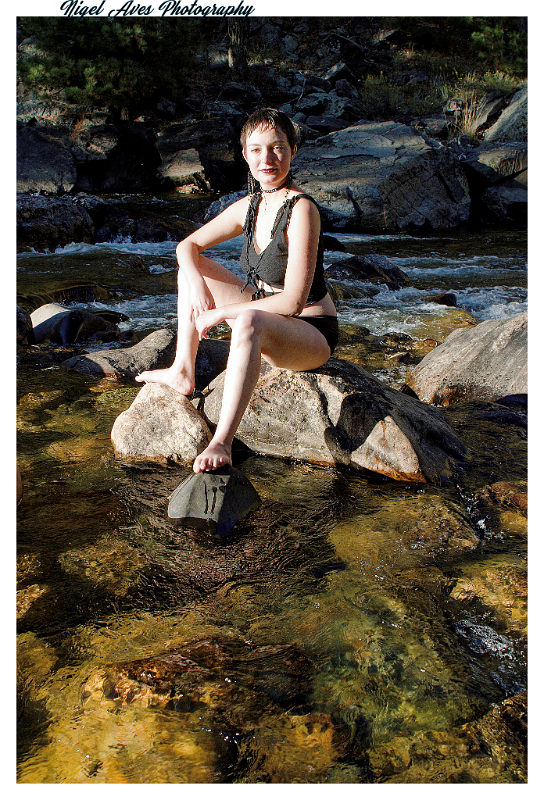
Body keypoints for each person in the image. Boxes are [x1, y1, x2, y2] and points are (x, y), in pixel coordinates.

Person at [136, 108, 338, 473]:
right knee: (191, 270)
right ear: (245, 154)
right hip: (262, 311)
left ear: (293, 150)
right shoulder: (251, 205)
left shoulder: (302, 209)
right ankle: (182, 370)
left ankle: (222, 442)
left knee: (247, 321)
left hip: (309, 332)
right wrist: (198, 285)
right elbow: (187, 247)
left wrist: (220, 313)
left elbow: (293, 302)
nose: (267, 159)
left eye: (277, 147)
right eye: (257, 149)